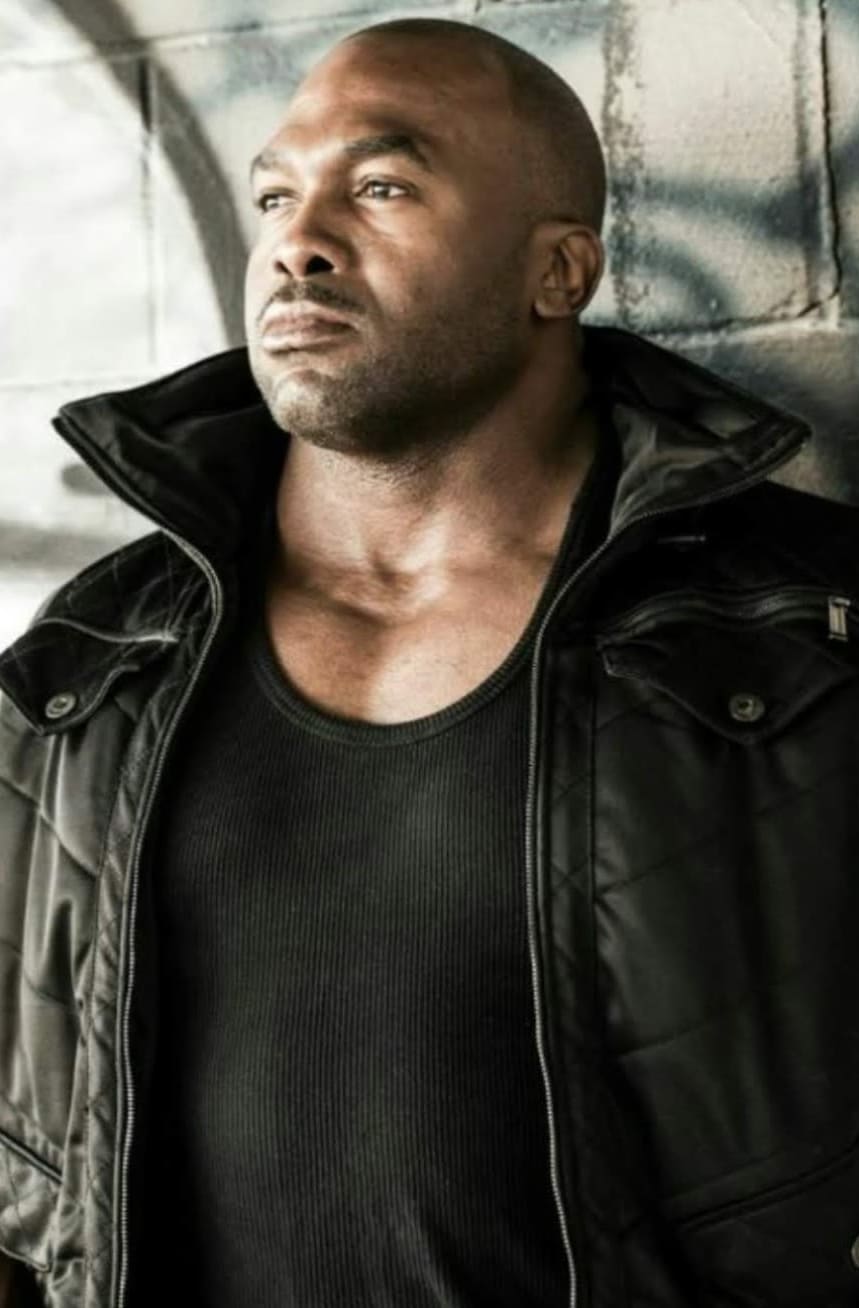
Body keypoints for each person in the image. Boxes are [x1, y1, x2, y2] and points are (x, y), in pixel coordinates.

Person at [1, 15, 858, 1308]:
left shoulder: (806, 641)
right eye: (276, 195)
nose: (297, 241)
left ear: (558, 271)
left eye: (383, 187)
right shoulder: (90, 665)